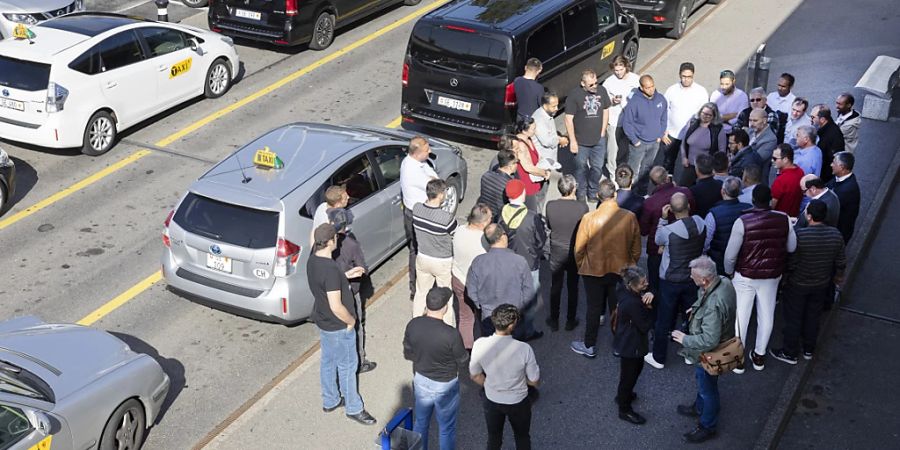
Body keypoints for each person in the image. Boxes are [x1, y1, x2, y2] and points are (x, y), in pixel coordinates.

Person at [307, 224, 376, 425]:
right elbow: (336, 306)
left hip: (323, 321)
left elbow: (325, 284)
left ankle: (330, 400)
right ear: (330, 242)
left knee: (328, 361)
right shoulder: (329, 268)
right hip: (338, 324)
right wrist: (351, 321)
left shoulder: (313, 260)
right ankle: (354, 408)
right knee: (348, 365)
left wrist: (345, 275)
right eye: (335, 238)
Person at [724, 185, 797, 372]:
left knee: (741, 317)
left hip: (745, 275)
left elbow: (731, 254)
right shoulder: (783, 219)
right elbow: (791, 247)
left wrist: (729, 271)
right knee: (766, 315)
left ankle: (738, 359)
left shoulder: (743, 221)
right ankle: (759, 355)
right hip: (771, 275)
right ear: (770, 199)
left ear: (753, 200)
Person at [770, 200, 846, 365]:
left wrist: (786, 277)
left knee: (794, 317)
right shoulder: (835, 235)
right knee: (813, 316)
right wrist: (838, 276)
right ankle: (808, 349)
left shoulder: (800, 236)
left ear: (809, 216)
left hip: (798, 283)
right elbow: (840, 261)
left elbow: (791, 261)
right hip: (821, 283)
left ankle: (789, 352)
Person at [572, 180, 642, 358]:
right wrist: (630, 264)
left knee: (593, 308)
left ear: (598, 196)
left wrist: (582, 265)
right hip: (621, 270)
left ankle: (589, 344)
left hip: (593, 270)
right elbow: (636, 247)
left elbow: (579, 248)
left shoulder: (589, 218)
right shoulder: (629, 217)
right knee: (617, 308)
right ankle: (619, 344)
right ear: (615, 195)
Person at [672, 256, 737, 443]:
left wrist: (685, 339)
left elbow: (709, 339)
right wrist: (696, 309)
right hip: (724, 342)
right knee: (706, 384)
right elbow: (707, 303)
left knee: (708, 388)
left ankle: (707, 425)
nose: (691, 279)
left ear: (704, 280)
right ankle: (699, 407)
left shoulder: (713, 305)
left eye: (693, 277)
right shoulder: (723, 281)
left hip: (711, 353)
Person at [404, 287, 470, 450]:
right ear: (446, 307)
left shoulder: (413, 325)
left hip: (421, 380)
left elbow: (407, 352)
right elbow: (462, 360)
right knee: (446, 428)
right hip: (445, 385)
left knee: (420, 423)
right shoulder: (451, 334)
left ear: (426, 305)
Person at [646, 193, 706, 369]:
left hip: (670, 280)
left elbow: (658, 240)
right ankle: (690, 353)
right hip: (692, 277)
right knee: (692, 316)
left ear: (671, 210)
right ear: (688, 206)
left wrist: (663, 219)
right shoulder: (701, 223)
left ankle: (658, 357)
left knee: (664, 318)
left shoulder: (668, 230)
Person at [470, 304, 540, 450]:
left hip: (491, 399)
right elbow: (534, 381)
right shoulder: (524, 349)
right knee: (522, 437)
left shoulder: (479, 345)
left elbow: (475, 375)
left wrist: (490, 384)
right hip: (518, 401)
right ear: (511, 325)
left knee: (494, 439)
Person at [328, 208, 376, 374]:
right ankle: (360, 361)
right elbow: (363, 268)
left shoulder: (324, 243)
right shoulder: (351, 244)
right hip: (350, 291)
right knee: (355, 325)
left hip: (329, 292)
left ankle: (338, 360)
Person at [467, 224, 535, 339]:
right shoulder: (519, 261)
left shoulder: (478, 262)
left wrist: (480, 305)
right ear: (503, 237)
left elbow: (471, 291)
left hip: (488, 315)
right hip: (512, 317)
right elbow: (528, 290)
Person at [640, 167, 695, 295]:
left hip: (658, 248)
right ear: (667, 178)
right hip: (683, 242)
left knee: (654, 284)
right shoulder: (685, 193)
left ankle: (654, 308)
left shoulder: (649, 203)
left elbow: (644, 230)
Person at [545, 175, 589, 332]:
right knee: (573, 286)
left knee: (555, 286)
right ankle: (570, 320)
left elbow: (549, 225)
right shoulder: (582, 207)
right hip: (574, 251)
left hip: (556, 249)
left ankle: (554, 319)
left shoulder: (550, 205)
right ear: (574, 189)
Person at [412, 179, 458, 326]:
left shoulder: (417, 209)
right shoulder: (446, 218)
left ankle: (416, 323)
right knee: (446, 297)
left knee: (421, 293)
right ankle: (447, 327)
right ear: (439, 194)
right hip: (442, 261)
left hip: (423, 257)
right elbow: (455, 234)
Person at [613, 265, 655, 425]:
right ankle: (624, 408)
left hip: (625, 340)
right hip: (632, 344)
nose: (646, 284)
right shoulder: (634, 303)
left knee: (628, 374)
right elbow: (645, 325)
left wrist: (648, 294)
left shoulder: (624, 291)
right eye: (643, 283)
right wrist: (650, 307)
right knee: (630, 376)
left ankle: (624, 395)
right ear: (633, 284)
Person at [565, 69, 611, 201]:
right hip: (580, 142)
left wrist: (603, 131)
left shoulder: (601, 91)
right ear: (582, 83)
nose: (594, 86)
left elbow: (606, 109)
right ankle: (580, 193)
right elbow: (568, 119)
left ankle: (592, 192)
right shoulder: (574, 95)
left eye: (596, 82)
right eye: (591, 84)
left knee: (597, 168)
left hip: (598, 140)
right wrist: (573, 141)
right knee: (580, 169)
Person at [401, 136, 439, 299]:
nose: (430, 151)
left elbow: (432, 175)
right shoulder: (412, 170)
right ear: (417, 153)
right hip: (417, 215)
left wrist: (433, 178)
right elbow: (435, 185)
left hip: (418, 212)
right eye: (426, 150)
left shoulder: (417, 163)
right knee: (418, 250)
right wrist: (433, 179)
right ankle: (416, 288)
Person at [451, 204, 492, 350]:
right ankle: (485, 348)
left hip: (459, 279)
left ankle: (467, 349)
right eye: (489, 219)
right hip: (478, 285)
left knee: (465, 317)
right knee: (484, 318)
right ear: (482, 223)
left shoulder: (459, 231)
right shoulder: (483, 242)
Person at [622, 75, 668, 196]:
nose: (651, 89)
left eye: (652, 86)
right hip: (639, 143)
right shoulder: (634, 103)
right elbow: (627, 123)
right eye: (647, 87)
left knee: (646, 169)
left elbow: (664, 118)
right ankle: (629, 194)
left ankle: (642, 193)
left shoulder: (661, 99)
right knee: (633, 170)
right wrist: (635, 140)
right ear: (641, 88)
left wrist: (660, 135)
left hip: (654, 143)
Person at [662, 62, 710, 174]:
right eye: (684, 76)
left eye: (689, 77)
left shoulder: (701, 91)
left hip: (692, 135)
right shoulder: (671, 90)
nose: (686, 79)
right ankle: (667, 187)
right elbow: (663, 111)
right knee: (668, 163)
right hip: (672, 135)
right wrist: (663, 131)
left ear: (693, 76)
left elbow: (705, 114)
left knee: (691, 163)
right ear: (679, 75)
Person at [704, 177, 751, 275]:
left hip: (719, 261)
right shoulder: (749, 209)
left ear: (723, 191)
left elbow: (706, 241)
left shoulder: (714, 214)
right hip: (744, 258)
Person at [603, 55, 642, 173]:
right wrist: (612, 100)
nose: (619, 73)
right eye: (616, 70)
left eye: (621, 69)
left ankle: (622, 168)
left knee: (625, 147)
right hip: (614, 121)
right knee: (612, 149)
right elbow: (604, 102)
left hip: (630, 121)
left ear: (626, 67)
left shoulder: (636, 80)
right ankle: (612, 173)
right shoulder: (608, 83)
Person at [678, 103, 726, 186]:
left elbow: (722, 150)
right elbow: (683, 142)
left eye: (708, 115)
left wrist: (717, 168)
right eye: (703, 113)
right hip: (690, 165)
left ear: (714, 116)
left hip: (707, 169)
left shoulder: (718, 129)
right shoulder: (692, 122)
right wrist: (684, 157)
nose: (705, 116)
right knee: (683, 188)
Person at [514, 117, 552, 212]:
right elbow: (528, 167)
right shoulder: (521, 145)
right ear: (524, 131)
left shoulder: (529, 139)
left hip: (536, 177)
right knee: (532, 208)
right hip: (528, 182)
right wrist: (544, 173)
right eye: (533, 129)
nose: (535, 131)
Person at [826, 152, 861, 242]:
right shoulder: (839, 178)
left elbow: (828, 207)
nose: (831, 165)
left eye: (833, 163)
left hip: (837, 234)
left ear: (841, 167)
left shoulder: (847, 190)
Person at [532, 91, 569, 172]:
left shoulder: (548, 113)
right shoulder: (540, 120)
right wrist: (560, 140)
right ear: (545, 106)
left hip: (548, 159)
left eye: (557, 105)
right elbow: (547, 141)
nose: (557, 108)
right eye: (554, 106)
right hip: (542, 161)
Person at [479, 147, 518, 220]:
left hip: (483, 214)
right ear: (510, 165)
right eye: (517, 162)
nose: (518, 165)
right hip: (497, 219)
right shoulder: (509, 184)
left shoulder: (486, 175)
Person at [810, 104, 845, 182]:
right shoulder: (822, 128)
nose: (810, 120)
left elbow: (831, 162)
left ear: (822, 119)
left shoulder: (833, 136)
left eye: (813, 117)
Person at [770, 144, 806, 217]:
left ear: (785, 159)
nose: (772, 160)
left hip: (779, 219)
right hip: (794, 218)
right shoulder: (800, 172)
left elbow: (772, 206)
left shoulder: (780, 181)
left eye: (775, 158)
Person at [709, 69, 749, 133]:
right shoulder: (715, 94)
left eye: (727, 84)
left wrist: (720, 118)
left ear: (733, 82)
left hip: (734, 132)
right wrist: (731, 116)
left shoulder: (742, 96)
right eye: (722, 84)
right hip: (716, 131)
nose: (724, 87)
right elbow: (711, 116)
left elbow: (741, 118)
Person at [745, 108, 778, 185]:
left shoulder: (771, 139)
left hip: (757, 180)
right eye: (750, 120)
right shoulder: (750, 131)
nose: (752, 124)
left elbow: (756, 159)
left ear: (764, 121)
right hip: (746, 176)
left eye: (755, 121)